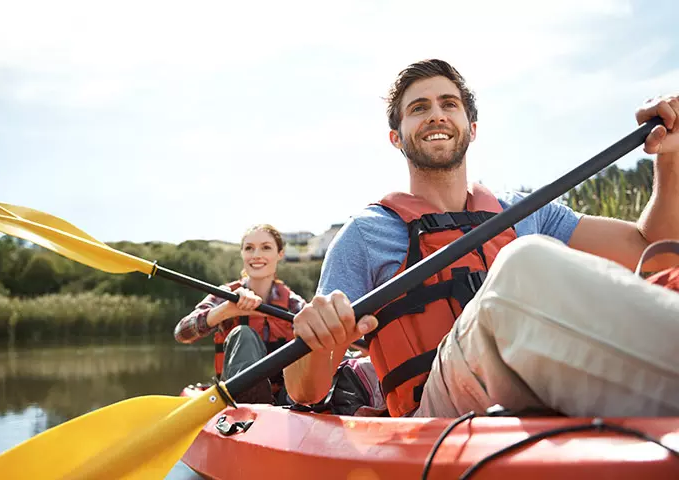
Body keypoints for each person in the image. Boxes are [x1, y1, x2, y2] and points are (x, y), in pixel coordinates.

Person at [283, 59, 679, 419]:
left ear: (471, 129)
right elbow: (304, 391)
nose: (435, 115)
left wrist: (671, 155)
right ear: (396, 138)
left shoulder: (528, 211)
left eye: (448, 104)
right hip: (438, 411)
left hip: (543, 376)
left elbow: (654, 251)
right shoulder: (364, 235)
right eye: (418, 108)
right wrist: (319, 338)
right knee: (525, 262)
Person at [175, 224, 305, 405]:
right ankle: (251, 401)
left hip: (288, 397)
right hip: (238, 396)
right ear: (242, 254)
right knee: (243, 333)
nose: (256, 255)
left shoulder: (293, 302)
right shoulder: (226, 294)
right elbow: (182, 333)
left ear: (280, 254)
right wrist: (226, 310)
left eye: (266, 247)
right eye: (249, 248)